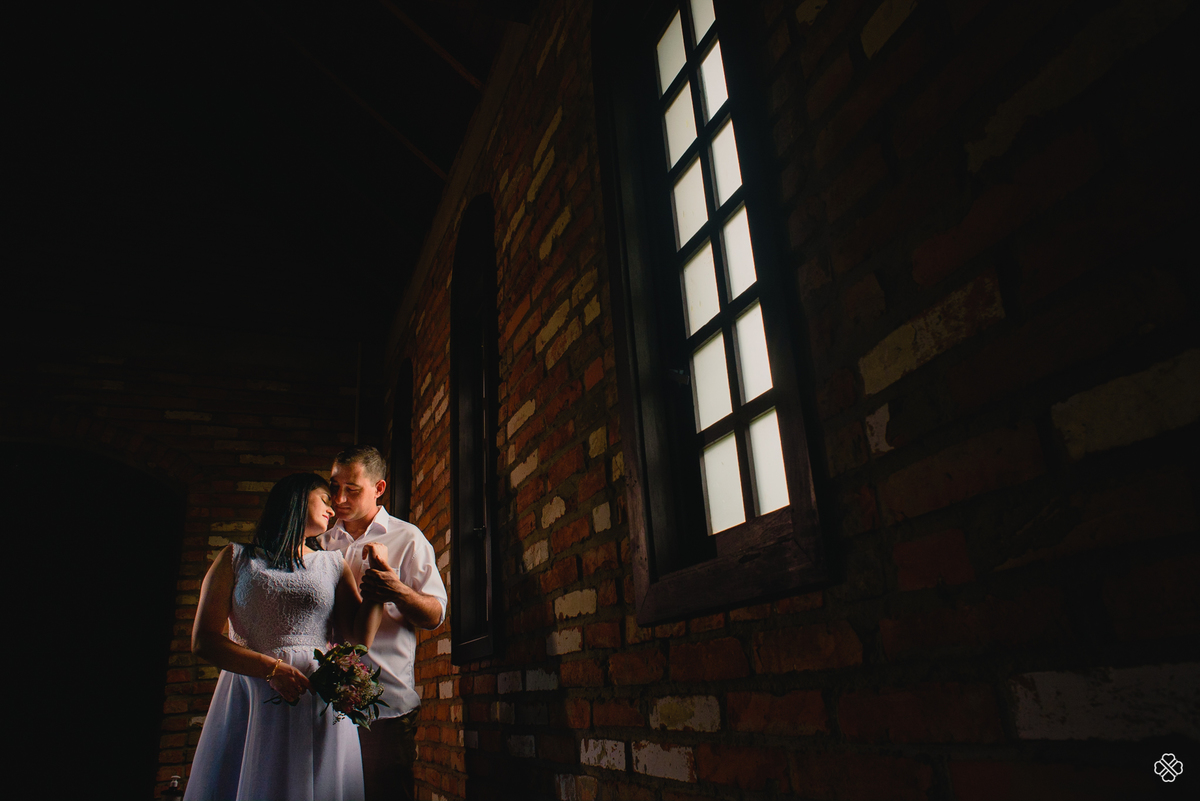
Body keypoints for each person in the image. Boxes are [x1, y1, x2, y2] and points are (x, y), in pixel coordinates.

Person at [184, 472, 389, 801]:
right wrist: (271, 668)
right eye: (324, 499)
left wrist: (380, 576)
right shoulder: (236, 559)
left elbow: (359, 638)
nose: (332, 509)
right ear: (295, 500)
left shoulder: (332, 564)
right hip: (251, 693)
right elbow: (203, 640)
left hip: (317, 696)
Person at [318, 446, 447, 801]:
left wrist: (398, 591)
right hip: (323, 704)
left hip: (386, 705)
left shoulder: (407, 538)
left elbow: (435, 615)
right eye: (334, 486)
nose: (340, 498)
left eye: (353, 489)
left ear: (379, 488)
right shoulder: (318, 543)